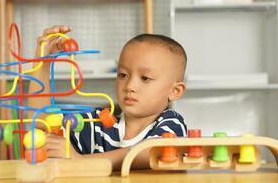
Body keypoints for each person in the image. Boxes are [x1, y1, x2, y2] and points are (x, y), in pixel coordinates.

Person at [28, 26, 187, 170]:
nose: (129, 85)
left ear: (175, 91)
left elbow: (151, 152)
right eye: (123, 75)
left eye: (145, 78)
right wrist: (42, 64)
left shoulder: (172, 123)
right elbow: (43, 122)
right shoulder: (98, 123)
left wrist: (79, 160)